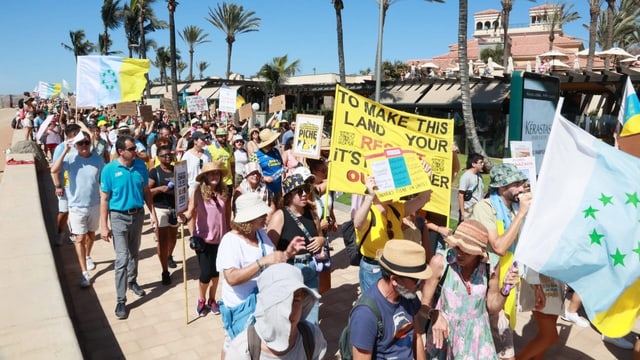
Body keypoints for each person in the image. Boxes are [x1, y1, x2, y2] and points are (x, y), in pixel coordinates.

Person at [216, 193, 305, 357]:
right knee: (233, 346)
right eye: (261, 214)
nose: (267, 215)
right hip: (240, 309)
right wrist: (261, 262)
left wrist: (287, 253)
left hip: (261, 304)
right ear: (249, 219)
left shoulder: (261, 234)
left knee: (256, 345)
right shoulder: (230, 241)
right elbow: (232, 278)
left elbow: (272, 260)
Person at [424, 220, 520, 359]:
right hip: (445, 337)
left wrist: (505, 289)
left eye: (467, 251)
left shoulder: (491, 264)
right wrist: (435, 315)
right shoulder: (440, 262)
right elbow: (423, 306)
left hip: (477, 339)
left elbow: (493, 307)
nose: (460, 253)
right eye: (457, 247)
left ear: (479, 252)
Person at [468, 163, 532, 360]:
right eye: (517, 184)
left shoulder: (512, 209)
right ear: (502, 187)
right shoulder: (485, 208)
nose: (522, 189)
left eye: (523, 184)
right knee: (503, 352)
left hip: (506, 283)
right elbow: (499, 247)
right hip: (486, 287)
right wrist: (521, 214)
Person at [100, 135, 158, 319]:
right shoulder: (109, 170)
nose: (136, 151)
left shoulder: (140, 167)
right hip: (118, 217)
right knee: (121, 259)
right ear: (120, 151)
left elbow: (146, 192)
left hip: (138, 215)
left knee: (134, 253)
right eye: (132, 149)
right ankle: (120, 300)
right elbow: (104, 199)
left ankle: (132, 281)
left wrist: (153, 214)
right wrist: (104, 225)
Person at [353, 161, 434, 293]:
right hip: (374, 269)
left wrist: (425, 177)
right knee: (376, 307)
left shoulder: (396, 208)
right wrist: (369, 196)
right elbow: (358, 223)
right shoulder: (369, 212)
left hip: (395, 267)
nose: (391, 191)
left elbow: (422, 199)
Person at [348, 239, 431, 359]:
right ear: (395, 280)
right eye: (417, 280)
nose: (421, 284)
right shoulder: (365, 314)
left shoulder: (408, 295)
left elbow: (416, 336)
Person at [226, 263, 327, 359]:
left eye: (296, 299)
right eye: (281, 301)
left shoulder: (312, 337)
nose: (289, 310)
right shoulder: (241, 350)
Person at [267, 174, 324, 324]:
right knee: (289, 314)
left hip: (311, 267)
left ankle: (311, 343)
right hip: (290, 268)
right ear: (289, 196)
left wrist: (321, 240)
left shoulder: (312, 213)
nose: (304, 194)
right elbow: (269, 249)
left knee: (311, 312)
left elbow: (320, 235)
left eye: (305, 189)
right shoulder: (280, 216)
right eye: (299, 191)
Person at [51, 131, 105, 288]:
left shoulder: (98, 160)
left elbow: (102, 180)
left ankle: (88, 256)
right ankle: (84, 273)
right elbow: (54, 170)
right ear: (75, 145)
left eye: (86, 143)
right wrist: (65, 151)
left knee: (91, 234)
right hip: (75, 205)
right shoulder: (69, 158)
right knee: (80, 238)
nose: (84, 146)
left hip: (94, 204)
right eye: (80, 143)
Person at [179, 161, 229, 316]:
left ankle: (212, 300)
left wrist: (230, 232)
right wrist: (184, 218)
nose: (214, 176)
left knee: (216, 272)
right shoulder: (198, 191)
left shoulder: (225, 191)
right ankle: (201, 299)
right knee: (206, 273)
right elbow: (191, 210)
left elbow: (227, 214)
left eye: (217, 173)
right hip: (204, 239)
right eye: (211, 173)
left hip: (221, 239)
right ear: (205, 176)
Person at [148, 146, 179, 285]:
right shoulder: (155, 172)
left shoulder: (177, 169)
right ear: (158, 157)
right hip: (160, 209)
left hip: (174, 208)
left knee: (173, 237)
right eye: (164, 155)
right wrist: (160, 189)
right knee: (162, 240)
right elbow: (147, 192)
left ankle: (169, 255)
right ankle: (164, 270)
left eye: (169, 155)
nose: (168, 157)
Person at [250, 128, 284, 207]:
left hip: (278, 190)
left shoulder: (276, 151)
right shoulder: (256, 155)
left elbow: (281, 165)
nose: (275, 141)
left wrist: (283, 171)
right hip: (265, 190)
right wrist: (263, 178)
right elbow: (250, 173)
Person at [182, 131, 211, 197]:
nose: (204, 141)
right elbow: (183, 173)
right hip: (192, 188)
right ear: (195, 141)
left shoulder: (207, 153)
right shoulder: (187, 155)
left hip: (206, 187)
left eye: (205, 139)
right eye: (202, 139)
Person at [458, 153, 485, 222]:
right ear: (473, 164)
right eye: (480, 162)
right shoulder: (466, 176)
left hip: (478, 210)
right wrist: (463, 213)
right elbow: (461, 195)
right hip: (468, 210)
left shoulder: (479, 176)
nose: (482, 164)